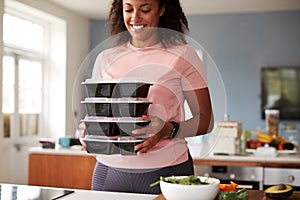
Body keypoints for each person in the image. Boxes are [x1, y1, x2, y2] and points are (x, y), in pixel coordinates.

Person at [80, 0, 214, 194]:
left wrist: (168, 129)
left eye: (145, 9)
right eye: (128, 9)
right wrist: (88, 130)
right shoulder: (105, 58)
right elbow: (98, 114)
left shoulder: (184, 55)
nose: (135, 17)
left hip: (169, 172)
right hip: (109, 172)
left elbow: (206, 120)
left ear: (162, 9)